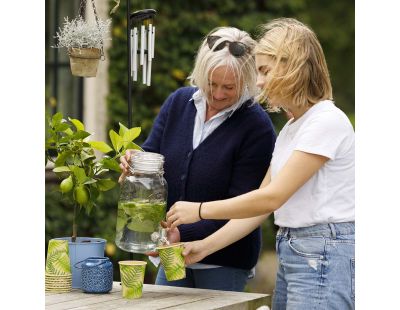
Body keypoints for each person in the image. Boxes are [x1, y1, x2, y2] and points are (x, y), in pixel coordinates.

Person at [166, 18, 355, 309]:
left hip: (322, 252)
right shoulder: (293, 128)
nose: (259, 82)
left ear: (293, 67)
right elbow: (260, 207)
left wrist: (200, 210)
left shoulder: (326, 120)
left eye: (265, 70)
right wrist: (203, 247)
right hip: (297, 251)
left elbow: (272, 196)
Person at [119, 26, 276, 291]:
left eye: (229, 87)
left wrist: (184, 233)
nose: (217, 94)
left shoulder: (256, 127)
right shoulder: (179, 102)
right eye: (211, 83)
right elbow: (152, 154)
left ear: (247, 81)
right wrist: (135, 162)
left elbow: (243, 205)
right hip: (171, 252)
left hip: (224, 262)